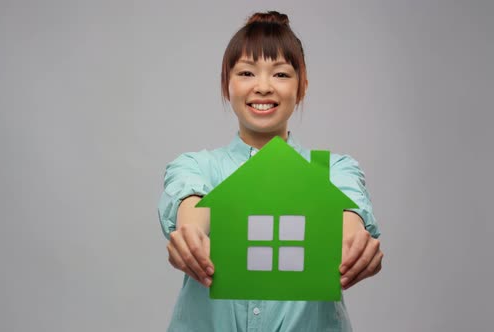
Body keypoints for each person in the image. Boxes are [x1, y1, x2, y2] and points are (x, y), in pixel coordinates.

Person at [158, 10, 383, 332]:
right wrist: (191, 234)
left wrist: (356, 242)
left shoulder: (334, 169)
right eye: (247, 73)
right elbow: (189, 200)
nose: (263, 87)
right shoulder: (196, 166)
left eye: (280, 74)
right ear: (227, 85)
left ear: (302, 86)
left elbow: (348, 211)